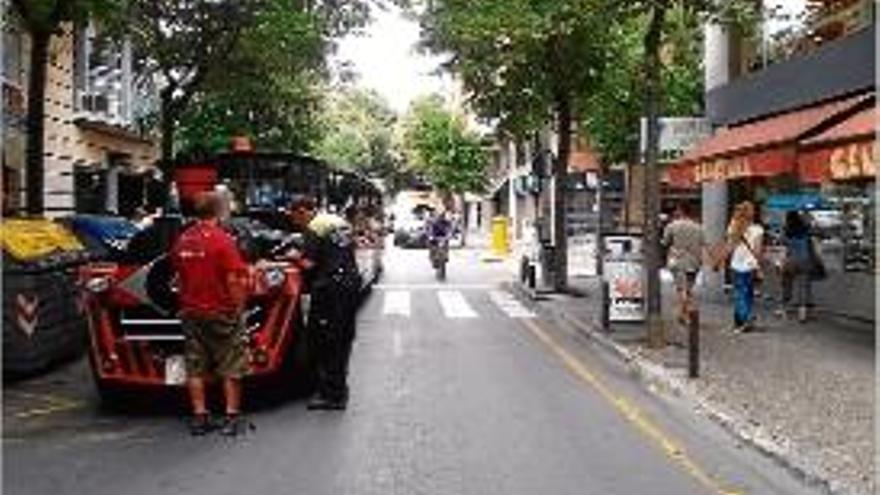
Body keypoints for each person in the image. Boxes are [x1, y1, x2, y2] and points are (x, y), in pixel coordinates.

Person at [170, 192, 251, 436]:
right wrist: (238, 309)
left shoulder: (182, 240)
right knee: (231, 365)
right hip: (221, 311)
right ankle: (231, 417)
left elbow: (178, 277)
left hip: (191, 312)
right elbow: (234, 279)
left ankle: (200, 416)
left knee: (195, 366)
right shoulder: (223, 241)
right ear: (219, 212)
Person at [286, 196, 362, 410]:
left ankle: (332, 395)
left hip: (331, 290)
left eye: (294, 217)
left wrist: (293, 257)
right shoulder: (337, 221)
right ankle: (339, 389)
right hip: (349, 284)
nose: (295, 222)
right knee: (343, 339)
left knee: (328, 341)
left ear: (302, 211)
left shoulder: (315, 227)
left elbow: (309, 264)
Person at [662, 202, 705, 325]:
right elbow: (703, 243)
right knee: (689, 288)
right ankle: (683, 313)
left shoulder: (672, 226)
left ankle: (686, 314)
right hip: (695, 261)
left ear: (680, 211)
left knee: (681, 289)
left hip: (678, 260)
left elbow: (665, 242)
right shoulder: (698, 227)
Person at [726, 201, 764, 333]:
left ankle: (741, 321)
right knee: (748, 293)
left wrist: (722, 260)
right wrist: (759, 265)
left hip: (736, 265)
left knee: (739, 293)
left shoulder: (733, 227)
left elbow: (730, 247)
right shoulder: (758, 229)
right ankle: (745, 318)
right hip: (750, 265)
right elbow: (758, 251)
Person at [779, 210, 813, 322]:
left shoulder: (786, 231)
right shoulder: (806, 230)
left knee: (786, 285)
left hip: (790, 261)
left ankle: (784, 309)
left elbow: (782, 244)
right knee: (803, 286)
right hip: (804, 260)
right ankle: (802, 314)